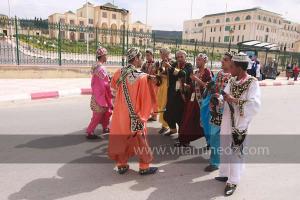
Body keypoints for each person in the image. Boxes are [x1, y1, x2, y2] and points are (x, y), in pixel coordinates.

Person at [215, 52, 261, 196]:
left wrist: (233, 100)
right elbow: (225, 96)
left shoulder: (252, 82)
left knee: (236, 150)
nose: (229, 67)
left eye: (232, 65)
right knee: (225, 144)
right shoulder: (232, 80)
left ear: (240, 68)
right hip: (228, 119)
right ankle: (225, 173)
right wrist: (219, 100)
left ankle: (233, 180)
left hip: (240, 122)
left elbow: (255, 104)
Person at [108, 48, 158, 175]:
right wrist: (146, 115)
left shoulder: (119, 72)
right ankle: (144, 166)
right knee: (140, 140)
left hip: (120, 114)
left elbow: (113, 88)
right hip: (135, 115)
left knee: (121, 138)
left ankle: (121, 165)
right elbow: (146, 100)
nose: (142, 60)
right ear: (135, 58)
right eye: (140, 58)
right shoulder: (142, 77)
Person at [203, 52, 232, 172]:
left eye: (225, 59)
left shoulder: (233, 76)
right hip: (216, 110)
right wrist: (208, 87)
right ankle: (215, 161)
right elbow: (212, 85)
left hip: (227, 111)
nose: (222, 61)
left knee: (226, 137)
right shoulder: (219, 73)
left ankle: (225, 162)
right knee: (214, 135)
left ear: (231, 62)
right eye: (222, 59)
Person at [164, 50, 193, 136]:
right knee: (167, 114)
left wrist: (170, 68)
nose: (179, 59)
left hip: (182, 95)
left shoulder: (188, 66)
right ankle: (173, 130)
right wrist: (166, 67)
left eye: (181, 57)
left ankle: (182, 134)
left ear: (185, 57)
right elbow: (169, 73)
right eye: (178, 57)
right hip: (172, 92)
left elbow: (183, 73)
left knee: (180, 115)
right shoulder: (174, 65)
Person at [86, 47, 113, 139]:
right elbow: (104, 84)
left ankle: (105, 127)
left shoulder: (97, 66)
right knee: (98, 115)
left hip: (98, 95)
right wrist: (110, 93)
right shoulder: (101, 68)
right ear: (103, 56)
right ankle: (90, 132)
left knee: (106, 113)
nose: (107, 57)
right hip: (101, 96)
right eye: (106, 55)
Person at [190, 53, 212, 148]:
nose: (197, 61)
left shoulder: (208, 72)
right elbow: (192, 86)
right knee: (194, 120)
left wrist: (196, 79)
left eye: (199, 60)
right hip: (194, 99)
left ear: (204, 61)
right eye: (197, 59)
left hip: (204, 100)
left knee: (205, 121)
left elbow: (208, 86)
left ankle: (209, 142)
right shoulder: (195, 72)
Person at [155, 48, 174, 134]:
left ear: (166, 54)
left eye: (162, 53)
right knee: (160, 104)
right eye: (160, 53)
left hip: (168, 86)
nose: (160, 55)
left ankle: (165, 126)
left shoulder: (172, 62)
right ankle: (164, 124)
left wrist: (162, 74)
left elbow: (173, 75)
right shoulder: (161, 62)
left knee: (164, 105)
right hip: (162, 86)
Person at [141, 49, 158, 122]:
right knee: (147, 99)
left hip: (154, 84)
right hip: (147, 84)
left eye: (148, 55)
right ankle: (148, 113)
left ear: (152, 55)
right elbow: (141, 72)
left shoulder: (156, 63)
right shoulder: (145, 64)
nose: (147, 57)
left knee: (154, 99)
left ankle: (154, 115)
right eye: (146, 55)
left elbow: (158, 74)